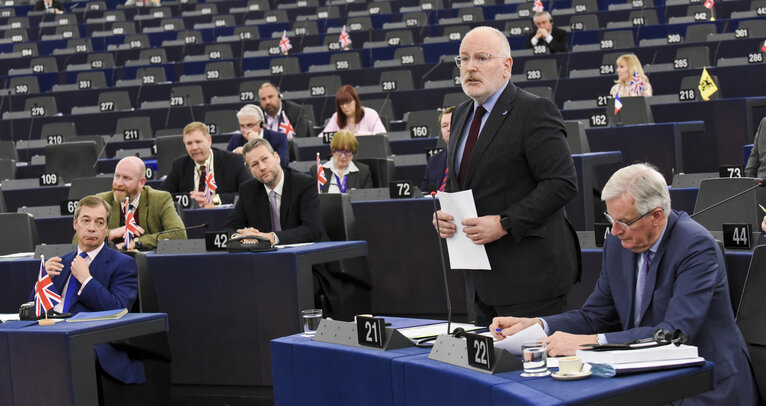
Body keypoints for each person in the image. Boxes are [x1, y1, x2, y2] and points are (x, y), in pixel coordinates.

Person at [490, 163, 758, 406]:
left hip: (706, 384)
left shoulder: (696, 247)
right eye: (611, 220)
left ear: (656, 215)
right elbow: (595, 315)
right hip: (646, 378)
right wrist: (539, 324)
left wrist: (588, 343)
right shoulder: (618, 245)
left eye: (623, 222)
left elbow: (673, 335)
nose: (615, 231)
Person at [433, 26, 580, 324]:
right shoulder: (461, 114)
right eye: (464, 59)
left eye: (482, 58)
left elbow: (561, 183)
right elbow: (468, 183)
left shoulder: (535, 111)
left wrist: (505, 223)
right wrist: (445, 217)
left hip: (531, 278)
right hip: (481, 281)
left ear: (506, 66)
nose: (471, 67)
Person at [41, 195, 143, 384]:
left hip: (90, 341)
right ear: (75, 224)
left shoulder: (123, 264)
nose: (92, 228)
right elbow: (34, 310)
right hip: (51, 335)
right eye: (86, 220)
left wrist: (86, 280)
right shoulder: (60, 263)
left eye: (99, 222)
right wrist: (42, 283)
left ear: (106, 228)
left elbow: (119, 308)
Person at [72, 157, 186, 249]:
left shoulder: (159, 199)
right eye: (117, 176)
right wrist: (112, 233)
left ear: (141, 183)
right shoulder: (102, 201)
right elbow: (77, 239)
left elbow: (179, 234)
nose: (119, 183)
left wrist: (137, 242)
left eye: (126, 178)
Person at [160, 121, 251, 206]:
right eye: (189, 143)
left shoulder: (233, 161)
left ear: (209, 140)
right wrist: (189, 199)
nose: (194, 147)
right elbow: (163, 195)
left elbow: (249, 192)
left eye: (198, 142)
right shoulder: (179, 165)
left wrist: (215, 199)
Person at [320, 85, 387, 136]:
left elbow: (382, 135)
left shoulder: (370, 113)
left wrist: (358, 134)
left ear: (356, 101)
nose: (345, 106)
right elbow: (322, 137)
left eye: (348, 102)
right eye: (341, 104)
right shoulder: (336, 116)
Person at [421, 106, 454, 193]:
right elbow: (425, 191)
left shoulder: (474, 155)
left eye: (453, 123)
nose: (449, 129)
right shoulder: (433, 160)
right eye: (444, 126)